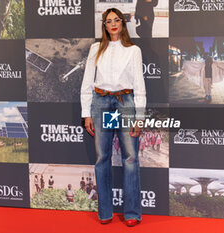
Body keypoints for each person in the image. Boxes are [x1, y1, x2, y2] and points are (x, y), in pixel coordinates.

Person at [81, 8, 146, 227]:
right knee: (103, 157)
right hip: (101, 103)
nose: (113, 24)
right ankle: (105, 211)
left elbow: (139, 85)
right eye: (108, 21)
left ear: (122, 23)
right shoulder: (95, 49)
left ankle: (132, 212)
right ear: (104, 25)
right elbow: (87, 83)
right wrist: (85, 113)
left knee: (130, 157)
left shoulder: (133, 50)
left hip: (125, 103)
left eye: (117, 20)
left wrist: (140, 116)